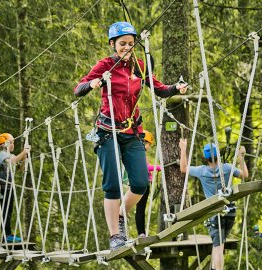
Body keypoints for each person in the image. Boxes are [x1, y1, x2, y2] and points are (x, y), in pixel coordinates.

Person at [74, 21, 187, 250]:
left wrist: (176, 88)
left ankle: (121, 213)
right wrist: (93, 83)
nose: (127, 47)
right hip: (108, 133)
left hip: (133, 132)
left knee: (140, 183)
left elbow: (159, 89)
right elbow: (78, 89)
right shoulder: (105, 65)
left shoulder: (139, 66)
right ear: (113, 44)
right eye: (122, 44)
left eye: (130, 44)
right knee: (113, 185)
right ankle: (116, 235)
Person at [179, 139, 249, 270]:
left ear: (205, 158)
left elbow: (183, 168)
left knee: (218, 246)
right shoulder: (227, 168)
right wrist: (241, 158)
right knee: (219, 244)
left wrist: (183, 148)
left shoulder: (202, 171)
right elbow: (245, 175)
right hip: (230, 211)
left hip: (214, 212)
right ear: (218, 155)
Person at [0, 133, 29, 243]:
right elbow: (12, 161)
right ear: (4, 144)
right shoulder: (2, 155)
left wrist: (25, 157)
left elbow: (20, 168)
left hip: (9, 188)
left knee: (9, 211)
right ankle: (7, 236)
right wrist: (24, 152)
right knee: (5, 211)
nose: (13, 144)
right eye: (11, 142)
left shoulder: (10, 155)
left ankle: (8, 235)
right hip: (2, 188)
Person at [134, 130, 162, 237]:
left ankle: (142, 233)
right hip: (142, 184)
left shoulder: (139, 153)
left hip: (144, 183)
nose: (148, 147)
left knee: (141, 208)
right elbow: (145, 167)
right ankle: (141, 233)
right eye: (148, 144)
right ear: (143, 142)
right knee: (140, 208)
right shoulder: (139, 153)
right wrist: (159, 167)